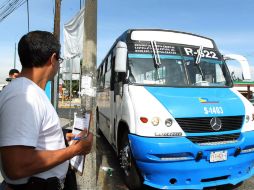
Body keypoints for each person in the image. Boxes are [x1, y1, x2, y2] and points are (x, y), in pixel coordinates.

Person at [0, 31, 93, 190]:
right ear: (53, 59)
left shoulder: (30, 92)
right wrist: (74, 150)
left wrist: (62, 137)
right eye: (60, 60)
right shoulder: (24, 95)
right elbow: (16, 166)